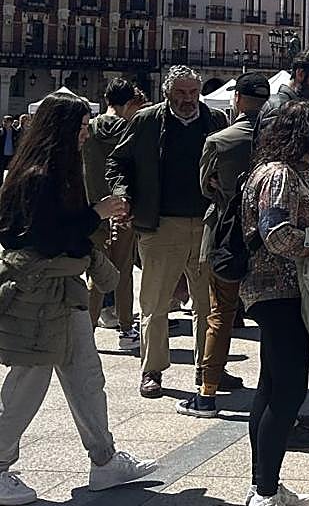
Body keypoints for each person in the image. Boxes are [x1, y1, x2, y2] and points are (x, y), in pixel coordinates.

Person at [0, 93, 157, 506]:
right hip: (40, 296)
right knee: (27, 384)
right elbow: (45, 236)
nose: (86, 132)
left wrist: (91, 217)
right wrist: (97, 213)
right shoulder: (38, 175)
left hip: (62, 294)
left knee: (86, 376)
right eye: (82, 126)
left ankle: (104, 461)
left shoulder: (52, 171)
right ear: (63, 129)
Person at [240, 100, 309, 506]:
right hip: (278, 292)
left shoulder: (275, 171)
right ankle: (262, 496)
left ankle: (267, 486)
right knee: (288, 391)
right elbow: (276, 234)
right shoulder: (279, 176)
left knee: (271, 388)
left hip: (276, 292)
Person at [108, 66, 227, 399]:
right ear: (167, 92)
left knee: (208, 304)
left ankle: (208, 368)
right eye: (181, 93)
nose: (188, 99)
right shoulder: (146, 121)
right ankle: (152, 370)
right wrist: (122, 193)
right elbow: (118, 162)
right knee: (155, 305)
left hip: (206, 224)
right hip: (161, 226)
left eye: (193, 93)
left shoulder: (215, 120)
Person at [175, 73, 270, 419]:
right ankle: (272, 395)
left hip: (227, 237)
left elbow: (206, 187)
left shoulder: (220, 140)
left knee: (220, 316)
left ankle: (207, 394)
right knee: (272, 322)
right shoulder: (278, 140)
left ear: (239, 100)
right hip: (268, 242)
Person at [82, 79, 145, 348]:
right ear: (130, 101)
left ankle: (88, 329)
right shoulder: (132, 129)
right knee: (123, 271)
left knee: (95, 273)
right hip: (122, 207)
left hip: (93, 207)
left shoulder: (91, 129)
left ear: (106, 98)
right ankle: (126, 329)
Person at [256, 47, 309, 228]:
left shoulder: (308, 111)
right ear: (300, 73)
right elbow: (276, 169)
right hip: (295, 229)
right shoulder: (279, 109)